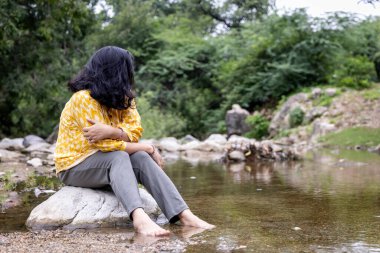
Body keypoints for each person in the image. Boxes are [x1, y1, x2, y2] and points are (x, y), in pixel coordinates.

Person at [54, 46, 214, 236]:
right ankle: (140, 219)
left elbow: (135, 130)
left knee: (140, 158)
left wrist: (112, 131)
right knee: (121, 156)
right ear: (116, 71)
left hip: (104, 165)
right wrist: (148, 147)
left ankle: (184, 215)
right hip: (74, 167)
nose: (130, 75)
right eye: (127, 70)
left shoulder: (124, 100)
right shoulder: (83, 99)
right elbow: (105, 146)